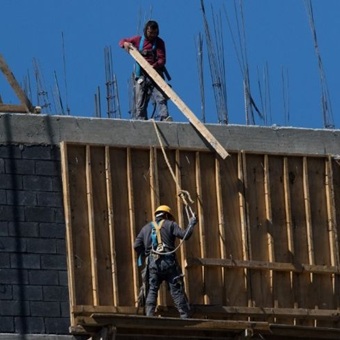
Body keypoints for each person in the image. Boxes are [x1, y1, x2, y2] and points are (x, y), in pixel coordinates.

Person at [134, 205, 197, 318]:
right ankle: (185, 317)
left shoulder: (146, 228)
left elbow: (136, 245)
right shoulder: (171, 225)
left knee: (152, 289)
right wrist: (191, 224)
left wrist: (147, 252)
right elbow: (185, 235)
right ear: (167, 215)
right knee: (176, 290)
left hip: (153, 262)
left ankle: (149, 316)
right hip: (169, 262)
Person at [119, 20, 172, 121]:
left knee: (160, 97)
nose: (152, 35)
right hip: (142, 75)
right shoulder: (139, 40)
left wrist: (155, 65)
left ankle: (164, 117)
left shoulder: (159, 43)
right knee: (140, 100)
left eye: (154, 33)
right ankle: (141, 119)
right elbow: (122, 41)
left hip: (155, 74)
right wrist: (125, 44)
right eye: (150, 33)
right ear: (146, 31)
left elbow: (162, 59)